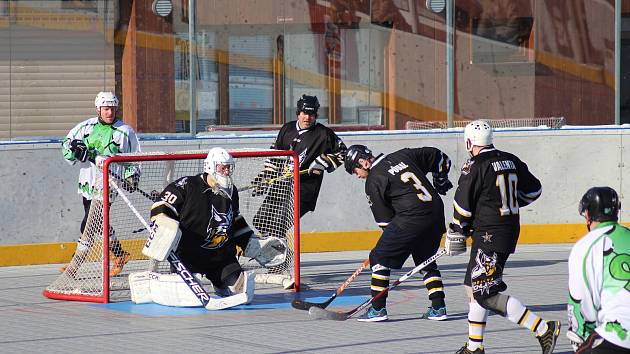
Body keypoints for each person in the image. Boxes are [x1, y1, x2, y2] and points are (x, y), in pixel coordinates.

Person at [446, 120, 559, 354]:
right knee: (473, 286)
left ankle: (542, 328)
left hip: (489, 235)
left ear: (469, 142)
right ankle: (474, 346)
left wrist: (458, 228)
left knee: (485, 294)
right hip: (505, 230)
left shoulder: (474, 165)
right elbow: (534, 190)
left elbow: (462, 207)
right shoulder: (510, 159)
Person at [343, 143, 453, 322]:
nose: (357, 176)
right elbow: (439, 156)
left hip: (412, 217)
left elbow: (386, 223)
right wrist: (440, 178)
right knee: (425, 258)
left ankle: (377, 310)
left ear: (363, 163)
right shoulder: (403, 155)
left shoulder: (374, 181)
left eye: (355, 171)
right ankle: (438, 307)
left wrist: (397, 244)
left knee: (378, 257)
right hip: (435, 213)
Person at [147, 147, 270, 300]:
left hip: (221, 258)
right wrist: (162, 223)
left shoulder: (232, 192)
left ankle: (220, 283)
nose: (226, 172)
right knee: (188, 298)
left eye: (229, 168)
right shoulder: (188, 185)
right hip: (188, 257)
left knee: (243, 292)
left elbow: (234, 220)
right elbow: (162, 206)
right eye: (222, 167)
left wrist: (251, 242)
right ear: (210, 166)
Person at [60, 91, 141, 277]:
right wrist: (75, 152)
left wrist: (132, 176)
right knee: (99, 222)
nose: (109, 112)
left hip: (109, 183)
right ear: (98, 109)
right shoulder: (85, 127)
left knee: (90, 221)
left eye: (112, 108)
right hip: (88, 181)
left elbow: (135, 157)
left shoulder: (125, 131)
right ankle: (120, 254)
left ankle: (75, 264)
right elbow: (66, 144)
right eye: (106, 108)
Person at [252, 94, 347, 238]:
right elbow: (275, 155)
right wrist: (265, 176)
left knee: (278, 225)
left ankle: (281, 258)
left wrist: (324, 162)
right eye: (304, 113)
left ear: (316, 115)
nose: (307, 118)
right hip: (281, 185)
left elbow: (344, 152)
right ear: (298, 113)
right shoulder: (287, 129)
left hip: (305, 189)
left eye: (312, 114)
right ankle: (274, 251)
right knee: (260, 221)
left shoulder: (324, 134)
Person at [567, 187, 630, 353]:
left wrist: (579, 338)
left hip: (619, 336)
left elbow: (580, 303)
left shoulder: (586, 245)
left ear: (588, 214)